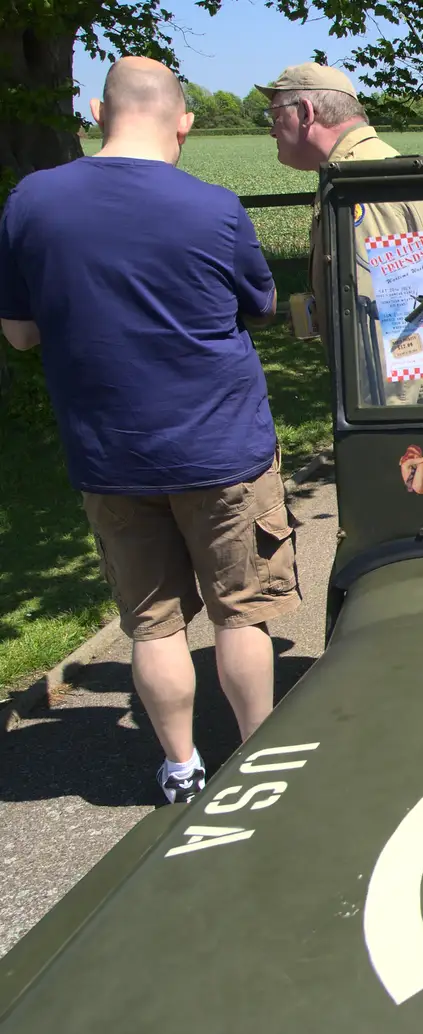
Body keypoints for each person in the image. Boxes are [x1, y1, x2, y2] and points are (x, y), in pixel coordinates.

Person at [0, 57, 300, 804]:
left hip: (110, 455)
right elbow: (259, 304)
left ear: (99, 114)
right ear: (184, 121)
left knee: (154, 625)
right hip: (224, 448)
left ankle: (180, 766)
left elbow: (20, 335)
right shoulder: (213, 207)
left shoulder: (31, 202)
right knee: (242, 613)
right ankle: (259, 760)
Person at [256, 62, 423, 405]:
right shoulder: (375, 165)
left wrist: (377, 418)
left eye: (274, 116)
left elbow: (377, 319)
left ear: (305, 112)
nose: (272, 130)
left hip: (411, 406)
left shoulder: (359, 187)